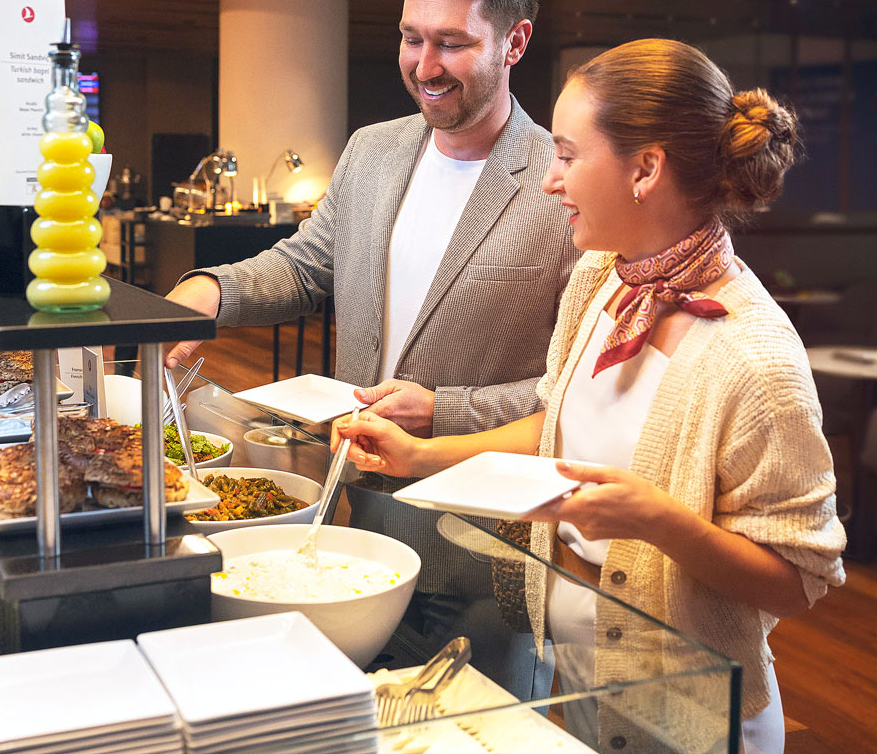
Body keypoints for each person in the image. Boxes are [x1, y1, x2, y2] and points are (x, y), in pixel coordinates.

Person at [333, 38, 847, 753]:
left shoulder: (754, 358)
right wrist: (421, 454)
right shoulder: (601, 280)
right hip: (582, 679)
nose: (551, 180)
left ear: (645, 170)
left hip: (692, 711)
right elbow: (556, 425)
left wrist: (659, 522)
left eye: (569, 155)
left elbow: (800, 581)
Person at [165, 0, 578, 692]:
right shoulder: (372, 151)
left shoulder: (564, 185)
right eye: (411, 38)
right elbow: (306, 264)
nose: (425, 68)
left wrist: (443, 409)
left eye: (452, 44)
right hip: (360, 520)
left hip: (485, 553)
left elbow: (575, 394)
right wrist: (211, 293)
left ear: (515, 41)